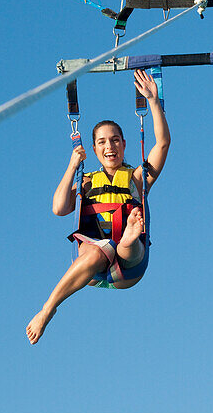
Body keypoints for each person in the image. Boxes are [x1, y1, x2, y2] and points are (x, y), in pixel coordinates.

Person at [26, 69, 169, 344]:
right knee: (97, 251)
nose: (109, 146)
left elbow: (162, 143)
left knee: (126, 244)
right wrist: (71, 166)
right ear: (94, 149)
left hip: (129, 267)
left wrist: (153, 100)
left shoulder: (138, 178)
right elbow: (58, 208)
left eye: (115, 140)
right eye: (102, 142)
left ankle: (128, 234)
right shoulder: (87, 182)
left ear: (125, 144)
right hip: (92, 264)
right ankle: (47, 309)